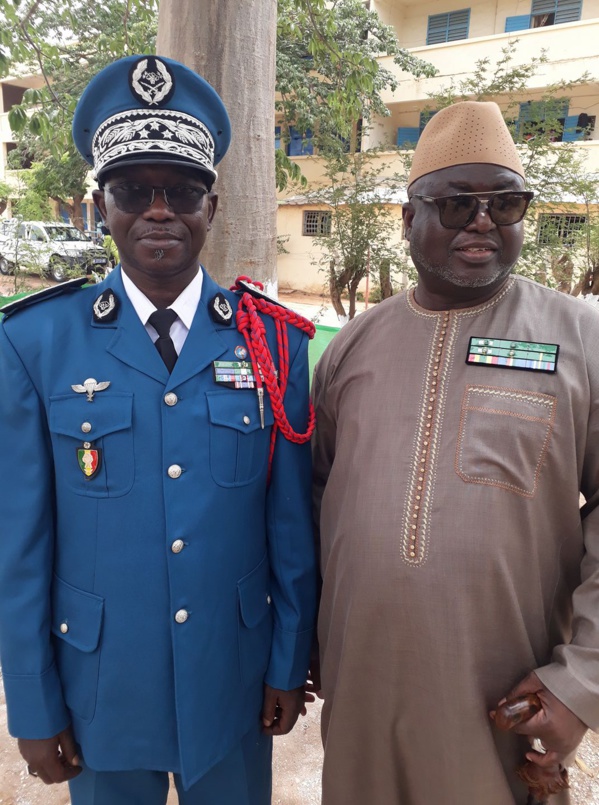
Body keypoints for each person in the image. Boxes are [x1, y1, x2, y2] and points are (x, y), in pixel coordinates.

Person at [0, 54, 316, 805]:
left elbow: (289, 527)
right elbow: (20, 547)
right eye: (132, 191)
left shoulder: (272, 343)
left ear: (212, 203)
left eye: (180, 190)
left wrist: (285, 661)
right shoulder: (35, 343)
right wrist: (34, 706)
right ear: (100, 203)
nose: (158, 209)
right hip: (102, 685)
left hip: (232, 679)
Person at [311, 101, 599, 804]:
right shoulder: (353, 345)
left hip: (503, 697)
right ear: (407, 218)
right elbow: (312, 498)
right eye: (455, 202)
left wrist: (581, 681)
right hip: (360, 692)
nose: (481, 221)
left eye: (505, 203)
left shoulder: (580, 339)